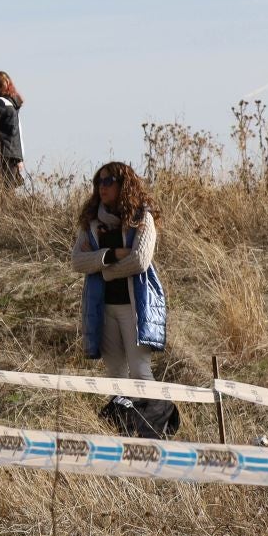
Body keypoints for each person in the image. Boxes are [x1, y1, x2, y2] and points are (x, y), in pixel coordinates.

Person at [70, 162, 165, 381]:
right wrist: (111, 255)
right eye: (98, 182)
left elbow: (139, 261)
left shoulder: (142, 219)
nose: (102, 187)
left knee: (140, 371)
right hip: (103, 307)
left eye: (108, 181)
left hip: (135, 307)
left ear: (124, 185)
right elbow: (77, 262)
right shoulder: (91, 222)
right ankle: (122, 416)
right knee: (115, 375)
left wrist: (104, 270)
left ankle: (153, 415)